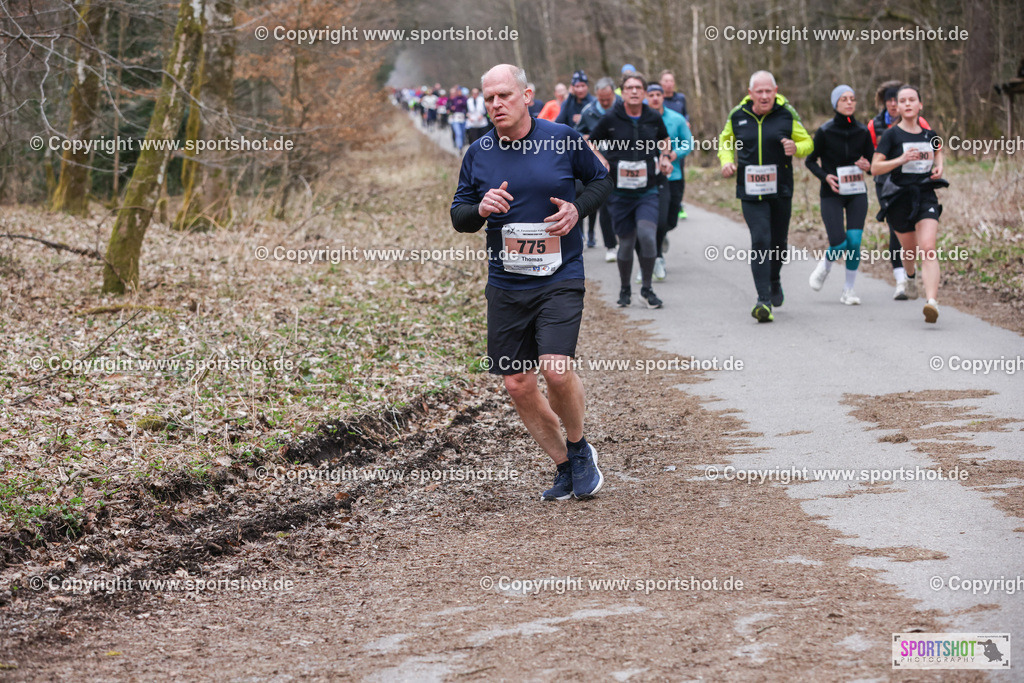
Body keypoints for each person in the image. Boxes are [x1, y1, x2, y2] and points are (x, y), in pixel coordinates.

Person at [450, 64, 613, 500]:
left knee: (556, 371)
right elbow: (459, 217)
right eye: (488, 99)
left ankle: (580, 450)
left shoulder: (562, 139)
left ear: (527, 96)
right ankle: (563, 465)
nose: (496, 104)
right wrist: (481, 208)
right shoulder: (478, 152)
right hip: (507, 282)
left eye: (504, 95)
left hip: (561, 275)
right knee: (517, 383)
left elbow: (600, 181)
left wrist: (577, 210)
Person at [718, 70, 813, 322]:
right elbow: (725, 141)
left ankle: (774, 279)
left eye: (768, 91)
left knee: (779, 243)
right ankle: (763, 300)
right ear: (750, 94)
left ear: (776, 91)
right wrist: (726, 161)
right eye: (758, 91)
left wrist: (797, 148)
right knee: (760, 239)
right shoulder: (738, 115)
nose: (764, 96)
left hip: (781, 189)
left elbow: (808, 143)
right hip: (750, 191)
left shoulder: (787, 114)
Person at [589, 71, 671, 309]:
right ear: (622, 93)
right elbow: (589, 142)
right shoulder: (611, 118)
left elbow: (664, 139)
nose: (634, 91)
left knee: (647, 236)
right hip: (620, 193)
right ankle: (625, 288)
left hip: (647, 190)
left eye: (638, 88)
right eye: (629, 88)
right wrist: (600, 159)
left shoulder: (653, 117)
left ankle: (646, 289)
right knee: (625, 243)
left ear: (644, 93)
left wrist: (665, 156)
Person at [871, 85, 947, 323]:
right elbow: (875, 167)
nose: (906, 104)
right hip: (898, 198)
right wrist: (901, 159)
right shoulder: (892, 135)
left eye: (911, 100)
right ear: (897, 107)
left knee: (928, 247)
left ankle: (932, 302)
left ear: (920, 105)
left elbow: (939, 150)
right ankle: (910, 277)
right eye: (902, 101)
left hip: (925, 194)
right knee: (910, 250)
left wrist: (939, 166)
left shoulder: (930, 134)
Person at [805, 85, 875, 305]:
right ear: (835, 103)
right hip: (832, 193)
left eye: (852, 98)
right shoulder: (825, 131)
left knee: (854, 241)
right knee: (839, 243)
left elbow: (874, 166)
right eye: (844, 99)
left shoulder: (863, 132)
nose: (849, 102)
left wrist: (868, 166)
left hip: (856, 192)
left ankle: (849, 290)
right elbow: (809, 160)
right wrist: (825, 176)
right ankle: (825, 265)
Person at [644, 83, 692, 281]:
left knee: (670, 220)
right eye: (651, 95)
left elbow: (688, 143)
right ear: (647, 97)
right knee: (658, 220)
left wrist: (674, 154)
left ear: (663, 97)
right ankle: (657, 257)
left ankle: (662, 236)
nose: (655, 98)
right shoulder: (641, 119)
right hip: (650, 178)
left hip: (674, 176)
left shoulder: (676, 119)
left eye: (658, 94)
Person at [577, 77, 621, 261]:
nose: (605, 102)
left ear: (613, 94)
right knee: (606, 205)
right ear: (597, 95)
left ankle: (630, 239)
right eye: (601, 99)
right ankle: (611, 246)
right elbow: (576, 133)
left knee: (625, 204)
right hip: (600, 164)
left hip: (623, 162)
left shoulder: (623, 107)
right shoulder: (588, 111)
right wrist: (586, 137)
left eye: (608, 99)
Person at [658, 70, 690, 220]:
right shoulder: (656, 100)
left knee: (677, 170)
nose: (669, 84)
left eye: (671, 81)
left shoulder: (680, 98)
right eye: (666, 81)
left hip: (676, 142)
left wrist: (686, 123)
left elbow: (685, 114)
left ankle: (677, 202)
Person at [448, 85, 468, 152]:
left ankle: (462, 144)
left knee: (462, 133)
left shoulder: (465, 99)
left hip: (463, 118)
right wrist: (451, 109)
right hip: (456, 118)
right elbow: (450, 108)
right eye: (458, 91)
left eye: (460, 91)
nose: (459, 92)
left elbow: (466, 107)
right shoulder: (454, 99)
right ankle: (460, 147)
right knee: (458, 133)